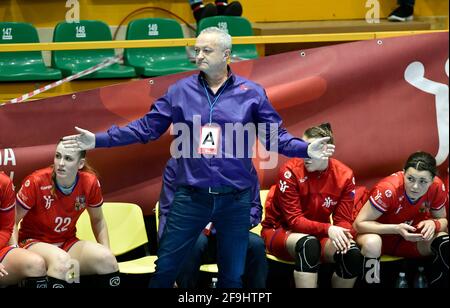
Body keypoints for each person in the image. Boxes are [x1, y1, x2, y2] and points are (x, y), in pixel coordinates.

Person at [62, 26, 335, 288]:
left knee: (232, 278)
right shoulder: (179, 91)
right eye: (196, 50)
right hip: (191, 198)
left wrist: (305, 149)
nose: (199, 56)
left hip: (235, 199)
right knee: (165, 270)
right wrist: (97, 140)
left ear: (226, 55)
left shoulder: (251, 94)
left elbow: (275, 137)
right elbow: (145, 128)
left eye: (206, 50)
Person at [261, 123, 365, 288]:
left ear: (327, 151)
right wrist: (328, 229)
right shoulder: (290, 171)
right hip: (279, 231)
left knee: (351, 254)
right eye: (303, 148)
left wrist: (343, 235)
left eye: (312, 149)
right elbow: (294, 221)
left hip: (317, 235)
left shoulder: (344, 175)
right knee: (308, 245)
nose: (306, 154)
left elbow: (343, 220)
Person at [12, 141, 120, 288]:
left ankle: (70, 278)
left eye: (68, 159)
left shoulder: (90, 182)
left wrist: (108, 250)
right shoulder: (36, 181)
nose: (60, 163)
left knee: (107, 260)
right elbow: (12, 221)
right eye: (58, 156)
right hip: (32, 242)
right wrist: (15, 253)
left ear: (80, 164)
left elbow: (98, 220)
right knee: (63, 261)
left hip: (67, 242)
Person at [158, 158, 267, 288]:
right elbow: (167, 212)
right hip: (195, 235)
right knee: (194, 243)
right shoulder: (177, 163)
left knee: (256, 244)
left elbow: (254, 208)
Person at [354, 151, 449, 287]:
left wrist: (434, 223)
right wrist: (396, 228)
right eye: (410, 178)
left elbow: (443, 221)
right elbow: (359, 224)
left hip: (410, 239)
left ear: (432, 180)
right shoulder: (388, 189)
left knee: (444, 240)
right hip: (381, 236)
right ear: (403, 173)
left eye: (423, 181)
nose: (415, 186)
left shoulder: (437, 187)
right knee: (372, 243)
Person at [0, 171, 48, 288]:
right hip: (33, 241)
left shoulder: (4, 182)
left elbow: (7, 228)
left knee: (38, 264)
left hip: (0, 247)